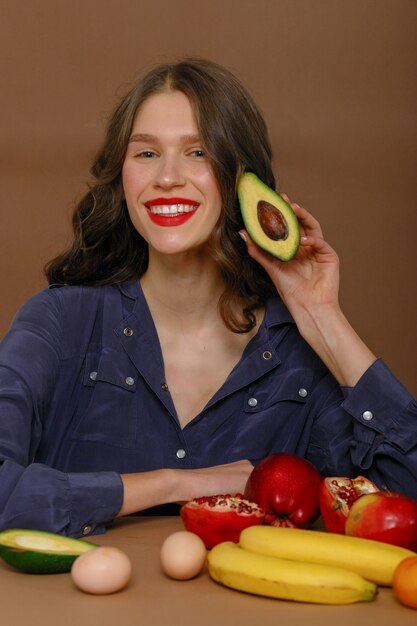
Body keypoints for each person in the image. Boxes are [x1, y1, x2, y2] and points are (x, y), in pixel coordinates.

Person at [0, 58, 416, 538]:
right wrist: (175, 484)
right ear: (122, 176)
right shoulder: (59, 323)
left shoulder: (297, 357)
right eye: (146, 154)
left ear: (240, 178)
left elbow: (399, 510)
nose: (168, 177)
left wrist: (324, 318)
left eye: (197, 153)